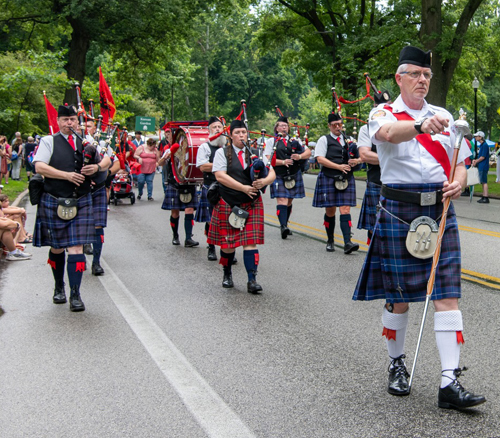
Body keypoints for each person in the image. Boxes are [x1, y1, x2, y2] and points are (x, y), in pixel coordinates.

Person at [352, 46, 485, 410]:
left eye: (426, 74)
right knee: (398, 298)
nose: (423, 80)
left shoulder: (445, 116)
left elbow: (462, 159)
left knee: (447, 295)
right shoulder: (382, 113)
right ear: (399, 78)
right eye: (415, 74)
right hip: (399, 209)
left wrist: (459, 181)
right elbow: (389, 135)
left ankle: (449, 381)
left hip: (440, 209)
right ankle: (396, 364)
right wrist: (418, 126)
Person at [32, 104, 102, 312]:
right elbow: (39, 166)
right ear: (58, 121)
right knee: (57, 247)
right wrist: (66, 175)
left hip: (80, 200)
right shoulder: (48, 141)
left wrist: (97, 167)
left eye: (72, 119)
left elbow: (107, 162)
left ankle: (75, 293)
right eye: (65, 119)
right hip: (55, 198)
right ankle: (58, 286)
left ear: (77, 122)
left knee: (76, 247)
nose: (69, 123)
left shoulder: (87, 142)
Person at [208, 119, 276, 293]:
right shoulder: (223, 153)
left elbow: (272, 172)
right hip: (228, 201)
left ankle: (252, 280)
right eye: (237, 133)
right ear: (231, 136)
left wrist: (264, 182)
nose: (241, 136)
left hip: (251, 203)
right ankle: (227, 273)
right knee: (228, 244)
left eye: (244, 132)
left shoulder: (255, 153)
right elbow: (220, 176)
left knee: (251, 242)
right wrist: (243, 188)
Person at [312, 113, 361, 254]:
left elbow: (359, 157)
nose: (338, 127)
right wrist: (338, 166)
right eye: (335, 125)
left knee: (345, 209)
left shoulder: (349, 140)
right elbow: (320, 159)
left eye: (340, 124)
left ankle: (347, 243)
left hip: (346, 178)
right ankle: (330, 240)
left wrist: (355, 161)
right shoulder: (324, 140)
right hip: (329, 176)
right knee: (330, 210)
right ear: (329, 126)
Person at [264, 116, 311, 239]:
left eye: (285, 126)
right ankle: (283, 226)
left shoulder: (295, 140)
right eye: (281, 125)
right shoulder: (271, 141)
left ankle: (285, 223)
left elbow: (308, 152)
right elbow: (268, 158)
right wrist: (283, 162)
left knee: (289, 200)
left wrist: (299, 157)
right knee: (282, 200)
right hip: (278, 174)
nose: (284, 128)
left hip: (294, 174)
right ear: (276, 128)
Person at [357, 91, 391, 244]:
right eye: (379, 107)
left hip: (396, 184)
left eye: (387, 105)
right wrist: (392, 160)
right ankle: (373, 256)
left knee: (394, 224)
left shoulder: (398, 127)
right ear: (374, 108)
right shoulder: (366, 129)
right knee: (374, 224)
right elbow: (365, 155)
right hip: (376, 181)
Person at [84, 119, 113, 275]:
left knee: (98, 226)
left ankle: (96, 262)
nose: (86, 128)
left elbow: (112, 162)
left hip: (98, 188)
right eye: (84, 125)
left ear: (95, 128)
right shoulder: (76, 142)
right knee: (80, 225)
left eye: (89, 126)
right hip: (80, 189)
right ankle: (80, 258)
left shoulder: (103, 143)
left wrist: (101, 171)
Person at [195, 116, 226, 261]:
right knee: (211, 220)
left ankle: (227, 248)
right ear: (209, 130)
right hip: (211, 187)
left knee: (227, 219)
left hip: (227, 187)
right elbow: (203, 166)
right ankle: (211, 247)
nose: (218, 129)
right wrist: (223, 165)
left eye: (220, 127)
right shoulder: (204, 147)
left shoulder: (228, 146)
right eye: (215, 127)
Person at [159, 140, 199, 248]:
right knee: (175, 213)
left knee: (189, 210)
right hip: (174, 184)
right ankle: (175, 236)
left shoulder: (192, 150)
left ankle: (188, 238)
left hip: (189, 183)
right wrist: (166, 157)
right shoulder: (169, 150)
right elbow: (160, 163)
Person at [472, 131, 490, 203]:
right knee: (483, 181)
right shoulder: (482, 145)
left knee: (484, 181)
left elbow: (483, 157)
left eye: (477, 136)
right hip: (482, 165)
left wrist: (476, 161)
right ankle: (484, 196)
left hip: (483, 165)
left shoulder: (485, 145)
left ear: (480, 137)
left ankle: (485, 196)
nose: (475, 137)